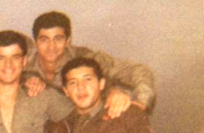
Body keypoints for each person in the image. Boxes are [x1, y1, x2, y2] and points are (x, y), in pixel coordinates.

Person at [26, 11, 156, 118]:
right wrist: (27, 78)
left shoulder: (86, 58)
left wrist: (140, 103)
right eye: (44, 40)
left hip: (90, 121)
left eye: (58, 39)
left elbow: (139, 70)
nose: (51, 47)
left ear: (68, 41)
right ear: (35, 42)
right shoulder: (22, 62)